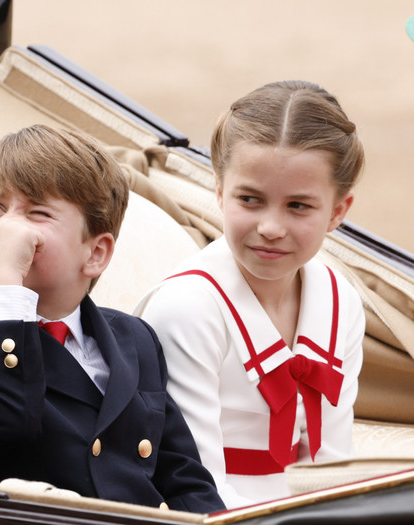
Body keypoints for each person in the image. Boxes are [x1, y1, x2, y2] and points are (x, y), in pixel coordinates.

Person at [0, 124, 224, 513]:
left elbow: (182, 475)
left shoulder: (133, 337)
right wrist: (6, 283)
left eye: (36, 212)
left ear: (95, 253)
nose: (7, 227)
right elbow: (3, 426)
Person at [135, 80, 365, 508]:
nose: (271, 227)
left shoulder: (342, 301)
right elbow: (192, 481)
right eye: (250, 199)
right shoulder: (187, 308)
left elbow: (335, 464)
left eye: (298, 205)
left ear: (338, 211)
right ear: (219, 191)